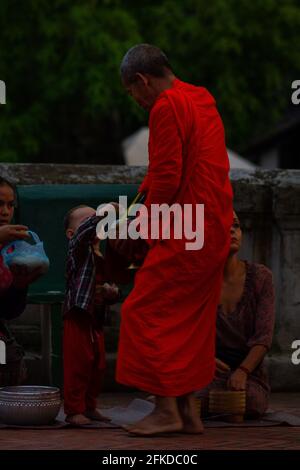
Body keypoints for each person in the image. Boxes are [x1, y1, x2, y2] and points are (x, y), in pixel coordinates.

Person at [116, 44, 233, 435]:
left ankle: (165, 410)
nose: (135, 101)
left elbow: (166, 176)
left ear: (141, 80)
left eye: (132, 92)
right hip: (213, 229)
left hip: (185, 231)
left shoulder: (165, 107)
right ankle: (189, 412)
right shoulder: (201, 98)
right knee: (190, 321)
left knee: (143, 312)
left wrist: (144, 231)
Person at [198, 211, 275, 418]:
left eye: (237, 226)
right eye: (225, 225)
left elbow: (263, 337)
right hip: (206, 369)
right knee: (195, 397)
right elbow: (185, 329)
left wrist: (242, 371)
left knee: (250, 400)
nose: (232, 230)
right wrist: (205, 358)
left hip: (249, 374)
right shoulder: (198, 279)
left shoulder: (261, 277)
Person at [63, 204, 120, 426]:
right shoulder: (77, 251)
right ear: (71, 234)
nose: (96, 222)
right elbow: (83, 236)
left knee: (98, 366)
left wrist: (111, 292)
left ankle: (90, 406)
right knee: (78, 363)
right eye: (88, 219)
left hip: (95, 320)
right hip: (77, 316)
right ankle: (74, 409)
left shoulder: (101, 255)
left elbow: (112, 288)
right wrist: (101, 214)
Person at [0, 177, 42, 386]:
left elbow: (7, 311)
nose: (6, 212)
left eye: (10, 205)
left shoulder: (9, 250)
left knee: (7, 358)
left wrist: (19, 285)